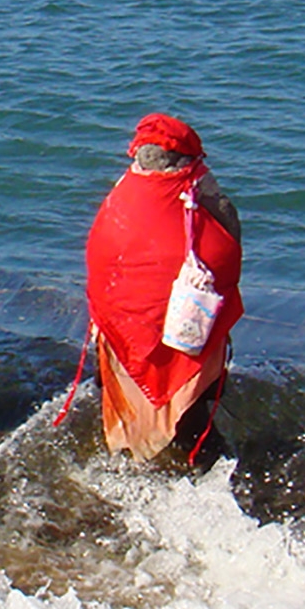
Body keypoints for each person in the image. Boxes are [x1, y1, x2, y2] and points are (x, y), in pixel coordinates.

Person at [79, 113, 243, 466]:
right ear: (186, 160)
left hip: (121, 330)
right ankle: (200, 468)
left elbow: (100, 263)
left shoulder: (121, 199)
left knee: (119, 393)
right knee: (193, 416)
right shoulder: (196, 189)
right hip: (187, 332)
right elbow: (228, 248)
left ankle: (127, 459)